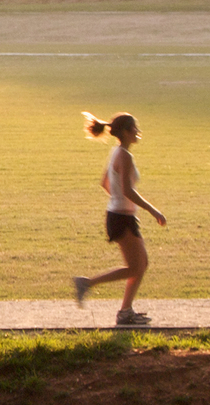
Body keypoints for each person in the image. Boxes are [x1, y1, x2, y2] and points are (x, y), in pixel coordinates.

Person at [70, 111, 167, 327]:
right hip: (121, 218)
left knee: (140, 265)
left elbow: (105, 182)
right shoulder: (125, 155)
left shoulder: (117, 152)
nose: (137, 132)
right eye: (134, 129)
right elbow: (128, 190)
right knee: (136, 267)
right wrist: (154, 211)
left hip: (120, 215)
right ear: (125, 132)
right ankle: (88, 284)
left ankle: (126, 311)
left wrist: (118, 201)